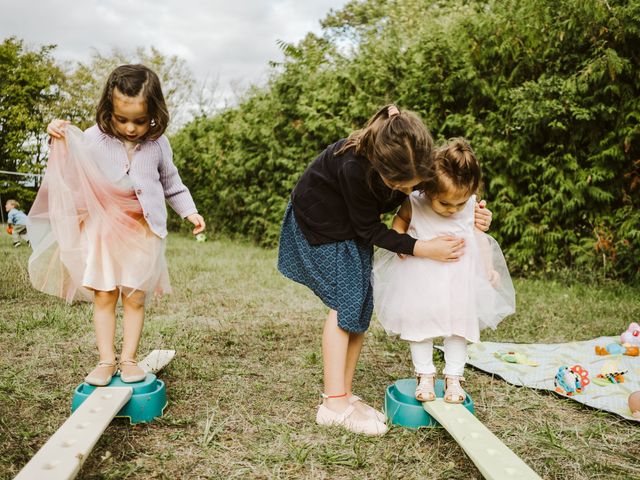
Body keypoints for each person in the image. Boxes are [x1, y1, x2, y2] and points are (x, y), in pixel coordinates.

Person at [277, 105, 493, 435]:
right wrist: (421, 248)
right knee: (344, 304)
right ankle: (333, 404)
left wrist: (476, 216)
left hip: (348, 228)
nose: (409, 191)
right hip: (322, 226)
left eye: (415, 183)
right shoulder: (353, 167)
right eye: (401, 185)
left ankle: (345, 394)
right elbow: (368, 230)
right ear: (381, 168)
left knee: (361, 302)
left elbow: (444, 193)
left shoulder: (415, 159)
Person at [31, 64, 205, 386]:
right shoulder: (92, 138)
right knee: (105, 295)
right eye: (121, 119)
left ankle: (128, 359)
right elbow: (71, 165)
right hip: (104, 232)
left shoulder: (158, 144)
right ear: (107, 109)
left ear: (155, 113)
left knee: (135, 297)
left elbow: (171, 183)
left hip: (143, 231)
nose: (130, 128)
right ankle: (105, 359)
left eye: (140, 121)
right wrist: (57, 133)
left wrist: (189, 211)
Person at [372, 138, 515, 404]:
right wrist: (400, 240)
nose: (453, 210)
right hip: (420, 277)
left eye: (459, 205)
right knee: (420, 325)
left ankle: (454, 377)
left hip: (459, 279)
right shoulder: (416, 201)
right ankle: (424, 374)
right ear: (428, 189)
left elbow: (478, 237)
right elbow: (400, 220)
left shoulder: (470, 204)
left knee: (458, 326)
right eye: (445, 204)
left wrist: (487, 268)